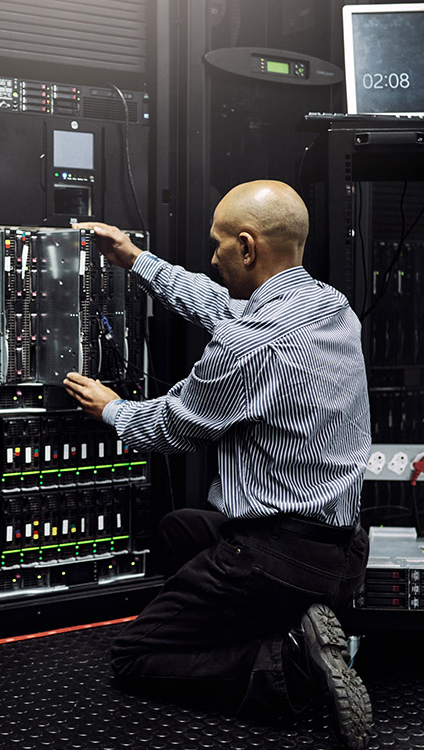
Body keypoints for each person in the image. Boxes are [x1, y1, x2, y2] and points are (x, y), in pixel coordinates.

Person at [63, 180, 373, 750]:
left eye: (219, 245)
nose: (212, 256)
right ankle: (297, 616)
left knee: (135, 657)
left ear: (248, 248)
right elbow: (224, 308)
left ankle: (289, 663)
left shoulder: (246, 347)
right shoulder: (332, 307)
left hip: (277, 556)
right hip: (345, 549)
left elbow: (171, 427)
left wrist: (112, 409)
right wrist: (137, 260)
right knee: (180, 527)